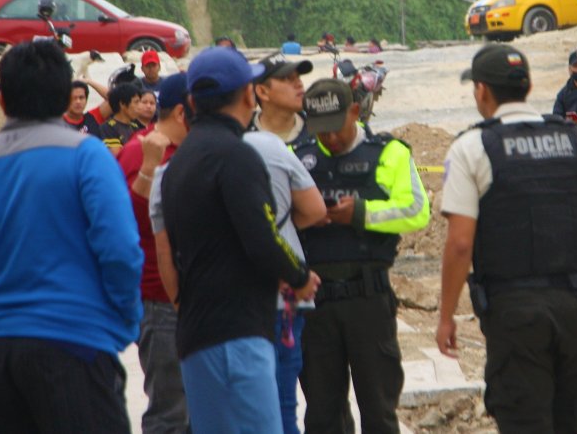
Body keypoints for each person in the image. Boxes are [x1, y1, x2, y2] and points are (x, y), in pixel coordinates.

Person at [0, 40, 143, 432]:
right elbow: (121, 250)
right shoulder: (88, 157)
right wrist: (125, 321)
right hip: (76, 346)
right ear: (66, 97)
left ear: (1, 99)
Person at [435, 44, 577, 432]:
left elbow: (459, 244)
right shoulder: (576, 139)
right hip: (576, 308)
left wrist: (445, 317)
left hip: (515, 312)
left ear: (481, 91)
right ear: (528, 85)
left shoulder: (472, 147)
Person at [160, 47, 319, 434]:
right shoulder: (237, 155)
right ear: (250, 95)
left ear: (193, 101)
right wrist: (299, 276)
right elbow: (262, 237)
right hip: (238, 333)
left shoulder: (177, 164)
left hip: (195, 332)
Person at [295, 78, 430, 434]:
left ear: (355, 112)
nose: (331, 139)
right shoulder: (299, 157)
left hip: (368, 299)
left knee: (379, 410)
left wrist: (361, 214)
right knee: (323, 415)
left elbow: (417, 210)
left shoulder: (388, 152)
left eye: (336, 129)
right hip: (316, 303)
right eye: (321, 132)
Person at [241, 126, 327, 434]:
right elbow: (316, 209)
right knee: (281, 404)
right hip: (284, 300)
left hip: (221, 302)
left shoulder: (188, 154)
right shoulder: (269, 145)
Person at [118, 73, 190, 434]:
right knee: (170, 410)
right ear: (182, 111)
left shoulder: (192, 149)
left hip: (195, 298)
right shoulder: (140, 150)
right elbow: (127, 221)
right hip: (160, 301)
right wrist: (149, 167)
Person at [250, 53, 314, 147]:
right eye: (287, 78)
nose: (299, 84)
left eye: (298, 77)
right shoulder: (241, 136)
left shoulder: (320, 131)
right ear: (262, 92)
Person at [98, 82, 144, 148]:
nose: (140, 106)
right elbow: (117, 155)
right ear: (122, 104)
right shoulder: (108, 128)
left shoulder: (135, 127)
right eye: (136, 102)